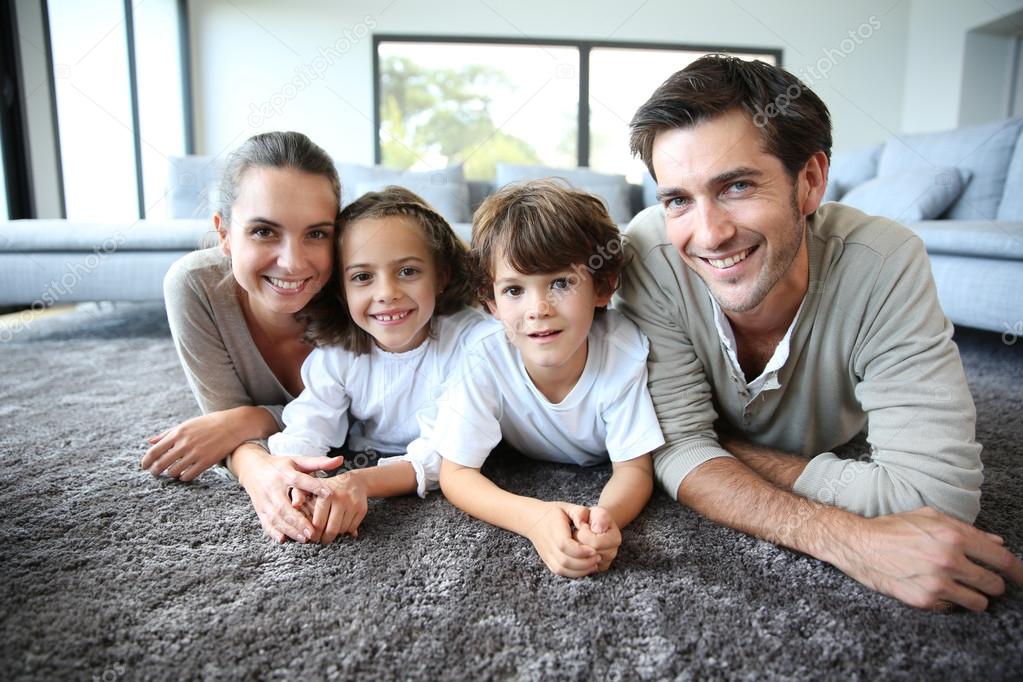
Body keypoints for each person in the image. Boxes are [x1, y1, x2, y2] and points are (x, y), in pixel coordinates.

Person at [616, 54, 1023, 611]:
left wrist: (720, 451)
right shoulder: (649, 252)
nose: (708, 234)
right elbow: (677, 447)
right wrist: (846, 539)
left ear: (809, 182)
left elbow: (936, 501)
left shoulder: (885, 262)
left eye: (736, 186)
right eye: (678, 200)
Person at [424, 180, 664, 577]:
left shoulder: (623, 351)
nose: (538, 309)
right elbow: (457, 473)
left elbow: (634, 469)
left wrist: (603, 521)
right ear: (491, 303)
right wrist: (533, 518)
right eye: (514, 290)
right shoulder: (484, 357)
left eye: (561, 283)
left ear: (602, 287)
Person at [144, 131, 349, 544]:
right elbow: (224, 422)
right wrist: (259, 473)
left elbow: (368, 420)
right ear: (224, 233)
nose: (292, 264)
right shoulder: (195, 286)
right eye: (263, 232)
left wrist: (248, 418)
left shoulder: (360, 286)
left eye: (316, 234)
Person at [267, 186, 481, 543]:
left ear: (441, 276)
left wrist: (360, 482)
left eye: (408, 271)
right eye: (363, 277)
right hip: (365, 454)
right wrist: (300, 484)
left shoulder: (469, 344)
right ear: (341, 290)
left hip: (411, 468)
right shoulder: (338, 354)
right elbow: (309, 425)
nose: (386, 293)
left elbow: (447, 452)